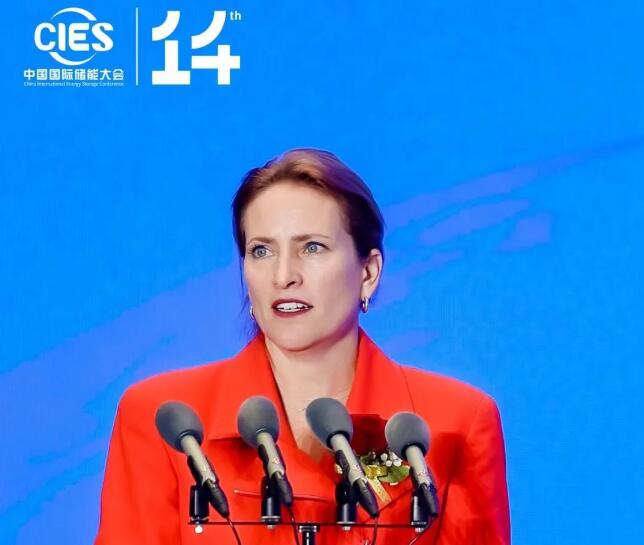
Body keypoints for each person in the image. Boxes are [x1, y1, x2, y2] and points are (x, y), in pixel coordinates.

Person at [95, 149, 511, 545]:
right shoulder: (166, 418)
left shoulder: (454, 422)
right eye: (261, 250)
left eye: (312, 248)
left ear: (368, 273)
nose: (283, 275)